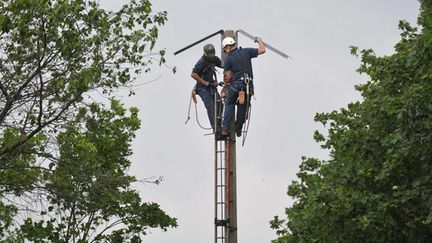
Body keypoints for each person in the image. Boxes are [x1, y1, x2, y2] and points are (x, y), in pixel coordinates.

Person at [220, 36, 266, 137]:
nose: (225, 51)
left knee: (229, 103)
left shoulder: (229, 58)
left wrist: (226, 83)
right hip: (248, 86)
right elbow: (262, 50)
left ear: (228, 47)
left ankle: (224, 128)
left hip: (236, 85)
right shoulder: (247, 51)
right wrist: (259, 41)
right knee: (243, 108)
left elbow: (227, 78)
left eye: (225, 49)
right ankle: (238, 127)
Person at [191, 44, 223, 131]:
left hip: (211, 86)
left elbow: (223, 65)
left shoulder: (214, 59)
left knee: (220, 104)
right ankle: (216, 128)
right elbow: (193, 74)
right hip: (202, 88)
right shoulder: (201, 62)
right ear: (206, 54)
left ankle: (220, 125)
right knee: (211, 106)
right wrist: (204, 82)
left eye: (213, 54)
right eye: (210, 54)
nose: (212, 56)